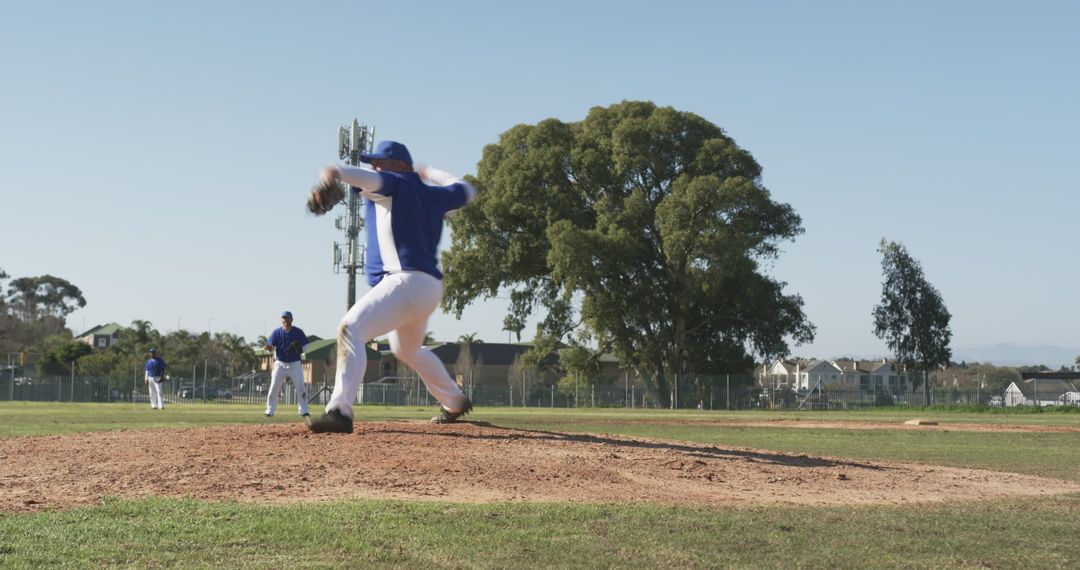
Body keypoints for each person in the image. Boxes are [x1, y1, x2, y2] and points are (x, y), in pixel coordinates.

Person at [306, 140, 476, 434]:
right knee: (406, 349)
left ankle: (339, 411)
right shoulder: (434, 195)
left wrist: (332, 172)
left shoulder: (395, 183)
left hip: (404, 281)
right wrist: (430, 171)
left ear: (399, 166)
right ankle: (454, 400)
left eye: (380, 162)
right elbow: (466, 189)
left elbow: (363, 177)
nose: (375, 167)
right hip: (429, 287)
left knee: (350, 330)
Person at [264, 310, 310, 417]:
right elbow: (270, 347)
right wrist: (269, 348)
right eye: (283, 318)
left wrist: (300, 349)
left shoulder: (298, 332)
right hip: (280, 364)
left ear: (291, 319)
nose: (285, 320)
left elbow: (306, 348)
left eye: (287, 318)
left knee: (300, 387)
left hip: (295, 364)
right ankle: (270, 410)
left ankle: (303, 410)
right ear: (281, 320)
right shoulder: (277, 332)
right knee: (274, 387)